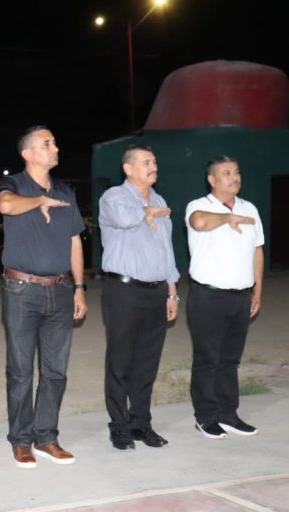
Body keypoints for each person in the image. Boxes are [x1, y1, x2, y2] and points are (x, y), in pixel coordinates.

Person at [0, 125, 88, 468]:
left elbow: (74, 241)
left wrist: (80, 288)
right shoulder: (14, 185)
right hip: (21, 290)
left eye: (54, 141)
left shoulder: (65, 191)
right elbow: (5, 206)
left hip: (61, 290)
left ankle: (46, 436)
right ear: (28, 153)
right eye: (47, 143)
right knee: (20, 370)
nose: (55, 146)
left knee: (55, 371)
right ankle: (21, 440)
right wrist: (39, 200)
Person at [98, 144, 180, 451]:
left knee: (147, 361)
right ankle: (119, 426)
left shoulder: (160, 200)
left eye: (155, 161)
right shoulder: (113, 198)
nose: (153, 166)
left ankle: (140, 423)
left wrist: (172, 293)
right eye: (147, 162)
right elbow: (124, 220)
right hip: (124, 290)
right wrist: (147, 212)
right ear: (128, 169)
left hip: (157, 290)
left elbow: (167, 251)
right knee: (120, 360)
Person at [185, 155, 264, 439]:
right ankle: (206, 417)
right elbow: (199, 223)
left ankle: (228, 414)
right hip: (208, 296)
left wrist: (257, 290)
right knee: (208, 358)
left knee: (230, 359)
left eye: (237, 171)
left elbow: (257, 250)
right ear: (212, 179)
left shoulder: (249, 208)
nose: (234, 177)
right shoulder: (198, 205)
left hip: (240, 296)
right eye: (227, 173)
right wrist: (228, 217)